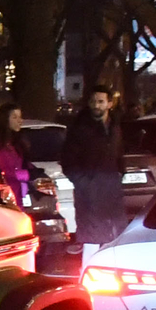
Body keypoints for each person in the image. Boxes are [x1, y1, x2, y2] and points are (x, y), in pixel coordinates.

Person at [63, 85, 127, 254]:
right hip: (90, 193)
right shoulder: (80, 129)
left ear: (109, 104)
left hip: (111, 190)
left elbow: (118, 153)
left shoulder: (114, 127)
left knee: (115, 237)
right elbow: (68, 161)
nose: (96, 106)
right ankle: (87, 274)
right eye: (93, 101)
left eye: (100, 101)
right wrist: (86, 184)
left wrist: (120, 173)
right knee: (91, 239)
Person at [0, 102, 32, 206]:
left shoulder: (15, 143)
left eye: (20, 117)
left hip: (17, 194)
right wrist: (22, 174)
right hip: (3, 198)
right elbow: (0, 170)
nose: (20, 121)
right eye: (14, 117)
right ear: (4, 120)